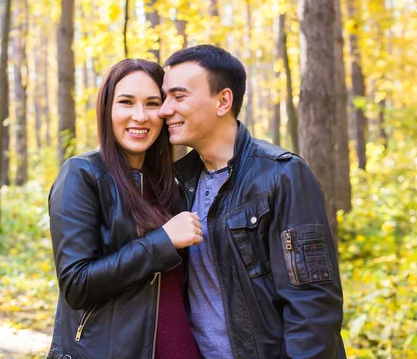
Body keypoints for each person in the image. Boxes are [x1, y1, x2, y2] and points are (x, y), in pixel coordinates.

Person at [159, 45, 346, 358]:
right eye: (164, 98)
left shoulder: (282, 176)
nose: (165, 109)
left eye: (178, 97)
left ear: (223, 101)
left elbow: (312, 307)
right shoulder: (178, 182)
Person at [47, 58, 201, 359]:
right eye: (126, 102)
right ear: (107, 109)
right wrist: (163, 242)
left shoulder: (172, 184)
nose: (140, 116)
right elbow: (77, 283)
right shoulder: (82, 175)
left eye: (152, 103)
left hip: (176, 346)